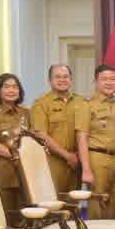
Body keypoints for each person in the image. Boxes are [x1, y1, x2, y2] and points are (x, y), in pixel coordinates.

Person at [0, 74, 31, 226]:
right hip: (3, 170)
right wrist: (12, 154)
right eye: (7, 87)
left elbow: (33, 138)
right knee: (5, 212)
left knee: (25, 212)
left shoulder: (25, 112)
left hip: (24, 170)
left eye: (15, 87)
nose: (11, 90)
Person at [76, 65, 115, 220]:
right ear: (96, 82)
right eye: (104, 79)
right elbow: (81, 137)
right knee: (97, 206)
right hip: (97, 159)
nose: (109, 82)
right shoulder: (87, 104)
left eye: (112, 79)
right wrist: (86, 169)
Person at [30, 64, 84, 194]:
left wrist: (78, 157)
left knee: (74, 201)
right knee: (54, 202)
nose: (62, 80)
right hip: (53, 162)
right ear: (49, 81)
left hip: (76, 163)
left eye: (66, 76)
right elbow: (41, 135)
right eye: (57, 77)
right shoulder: (41, 104)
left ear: (71, 79)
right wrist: (67, 156)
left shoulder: (81, 101)